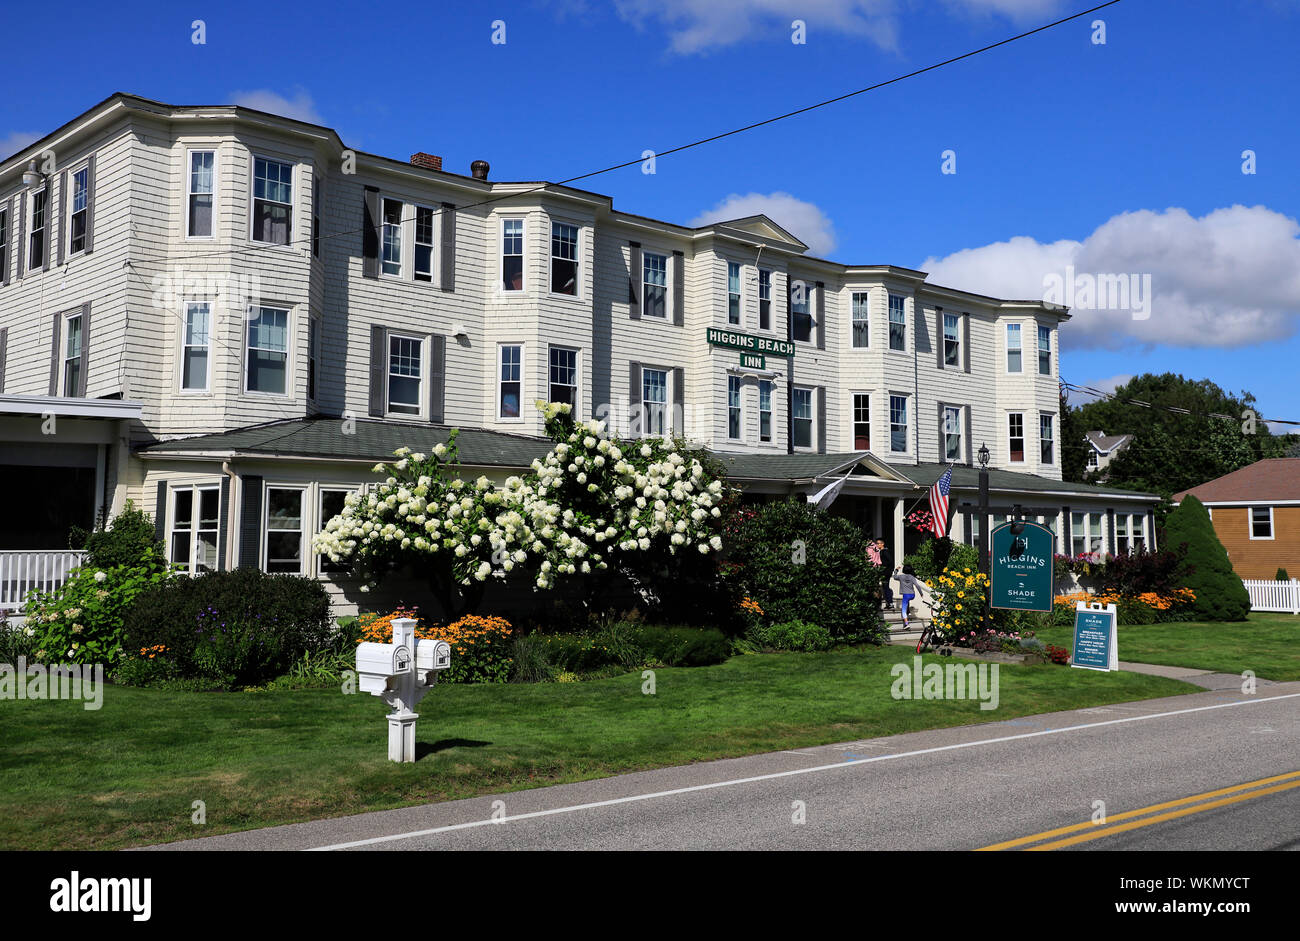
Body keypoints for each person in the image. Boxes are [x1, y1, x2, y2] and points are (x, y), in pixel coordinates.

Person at [893, 564, 926, 630]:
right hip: (912, 595)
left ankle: (906, 624)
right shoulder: (912, 577)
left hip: (906, 595)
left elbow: (894, 577)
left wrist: (896, 570)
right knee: (907, 601)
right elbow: (917, 585)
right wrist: (921, 593)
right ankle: (909, 612)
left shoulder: (901, 576)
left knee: (903, 610)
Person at [877, 538, 894, 610]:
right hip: (885, 572)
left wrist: (883, 566)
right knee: (884, 587)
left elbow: (890, 561)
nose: (877, 545)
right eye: (877, 543)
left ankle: (890, 603)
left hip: (886, 572)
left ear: (882, 544)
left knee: (886, 587)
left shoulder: (885, 551)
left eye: (878, 543)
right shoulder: (881, 551)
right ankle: (888, 603)